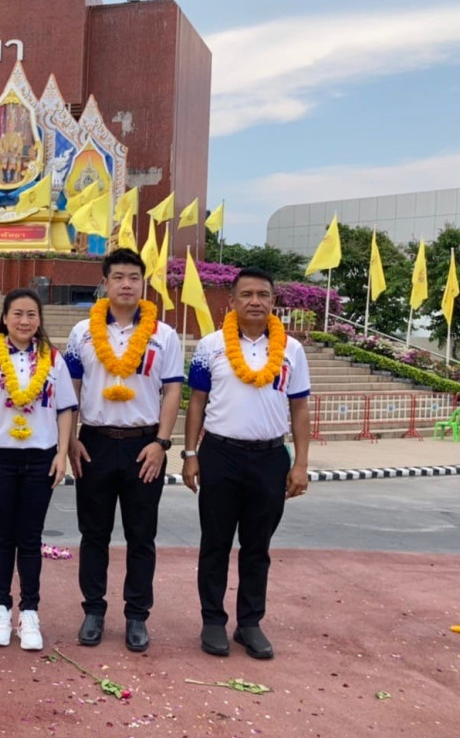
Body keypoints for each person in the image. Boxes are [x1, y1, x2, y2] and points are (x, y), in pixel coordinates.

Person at [182, 266, 310, 660]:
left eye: (263, 295)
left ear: (274, 301)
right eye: (247, 294)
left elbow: (300, 408)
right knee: (215, 543)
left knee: (258, 546)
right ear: (232, 301)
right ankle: (213, 621)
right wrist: (190, 454)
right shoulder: (210, 346)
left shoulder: (292, 349)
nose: (255, 301)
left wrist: (301, 463)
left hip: (271, 457)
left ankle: (250, 623)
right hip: (220, 454)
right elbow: (197, 403)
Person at [65, 248, 183, 652]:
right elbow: (71, 388)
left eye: (134, 277)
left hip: (143, 445)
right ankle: (93, 611)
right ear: (105, 283)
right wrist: (70, 439)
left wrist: (161, 442)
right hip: (94, 442)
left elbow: (172, 390)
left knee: (141, 535)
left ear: (143, 283)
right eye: (118, 277)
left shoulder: (163, 335)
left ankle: (137, 615)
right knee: (93, 534)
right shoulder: (81, 333)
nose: (127, 284)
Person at [0, 289, 76, 650]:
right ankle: (0, 608)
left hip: (40, 457)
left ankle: (29, 611)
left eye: (31, 314)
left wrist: (62, 452)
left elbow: (65, 409)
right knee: (2, 536)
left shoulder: (53, 359)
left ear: (39, 319)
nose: (24, 321)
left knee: (30, 538)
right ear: (5, 318)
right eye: (17, 314)